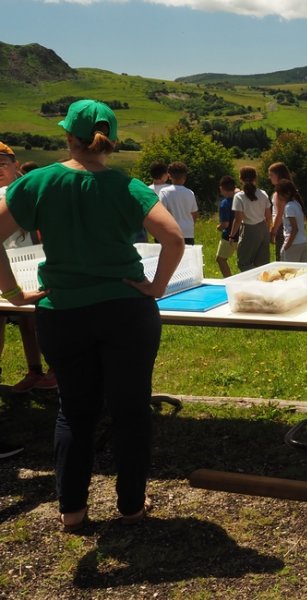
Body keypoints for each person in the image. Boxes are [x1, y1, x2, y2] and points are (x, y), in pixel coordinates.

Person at [0, 98, 185, 531]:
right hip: (126, 311)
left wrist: (13, 292)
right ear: (112, 141)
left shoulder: (38, 182)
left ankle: (72, 511)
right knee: (131, 408)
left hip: (62, 312)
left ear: (68, 136)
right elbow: (174, 238)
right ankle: (131, 507)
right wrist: (156, 288)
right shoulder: (127, 186)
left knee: (74, 411)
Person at [0, 141, 56, 394]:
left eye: (2, 164)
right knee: (17, 320)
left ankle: (55, 370)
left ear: (15, 165)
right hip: (6, 266)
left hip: (32, 263)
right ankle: (35, 371)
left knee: (39, 318)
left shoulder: (26, 192)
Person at [229, 166, 271, 271]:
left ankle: (251, 284)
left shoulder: (239, 196)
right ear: (255, 178)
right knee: (262, 264)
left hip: (248, 229)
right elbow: (268, 216)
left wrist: (232, 235)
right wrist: (268, 230)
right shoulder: (263, 194)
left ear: (240, 179)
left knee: (244, 262)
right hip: (263, 228)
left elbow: (238, 218)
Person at [157, 161, 198, 245]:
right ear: (185, 177)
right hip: (188, 232)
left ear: (169, 176)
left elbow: (161, 213)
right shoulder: (190, 193)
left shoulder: (164, 192)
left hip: (171, 231)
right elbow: (194, 214)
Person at [277, 179, 307, 262]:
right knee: (302, 271)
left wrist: (287, 246)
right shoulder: (296, 203)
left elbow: (294, 228)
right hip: (302, 242)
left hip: (293, 244)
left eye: (279, 193)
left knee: (289, 271)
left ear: (287, 194)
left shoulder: (289, 207)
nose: (277, 196)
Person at [267, 162, 292, 261]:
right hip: (291, 226)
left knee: (281, 258)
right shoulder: (291, 190)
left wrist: (273, 231)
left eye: (271, 175)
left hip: (281, 228)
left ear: (278, 175)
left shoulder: (279, 193)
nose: (270, 178)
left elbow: (279, 214)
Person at [214, 175, 237, 277]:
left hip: (229, 236)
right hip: (242, 235)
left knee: (220, 259)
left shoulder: (225, 203)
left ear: (221, 188)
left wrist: (219, 227)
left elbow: (225, 224)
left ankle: (228, 279)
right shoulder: (241, 199)